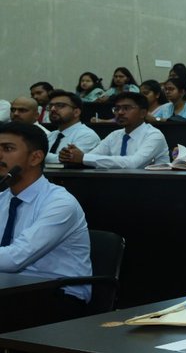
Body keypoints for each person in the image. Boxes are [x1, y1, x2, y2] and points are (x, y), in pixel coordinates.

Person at [0, 121, 92, 315]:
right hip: (10, 290)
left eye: (7, 149)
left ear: (35, 158)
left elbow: (14, 259)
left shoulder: (60, 203)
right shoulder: (3, 197)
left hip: (59, 295)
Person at [60, 92, 168, 169]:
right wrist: (71, 155)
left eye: (126, 108)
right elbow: (93, 156)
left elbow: (133, 163)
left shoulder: (154, 135)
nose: (120, 112)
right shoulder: (115, 135)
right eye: (117, 108)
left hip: (152, 188)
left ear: (143, 113)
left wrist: (84, 157)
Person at [46, 90, 100, 156]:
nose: (53, 109)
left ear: (76, 112)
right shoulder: (50, 136)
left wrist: (41, 157)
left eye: (60, 105)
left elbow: (70, 159)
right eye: (51, 106)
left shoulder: (87, 135)